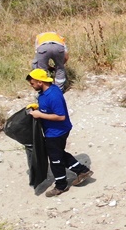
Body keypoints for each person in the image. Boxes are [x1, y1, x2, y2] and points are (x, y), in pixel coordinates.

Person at [26, 68, 93, 197]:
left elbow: (60, 116)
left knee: (55, 160)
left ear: (40, 82)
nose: (32, 86)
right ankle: (82, 171)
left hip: (56, 132)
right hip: (54, 131)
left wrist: (39, 114)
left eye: (33, 83)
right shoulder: (46, 92)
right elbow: (48, 109)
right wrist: (38, 108)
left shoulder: (53, 95)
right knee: (58, 153)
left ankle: (61, 185)